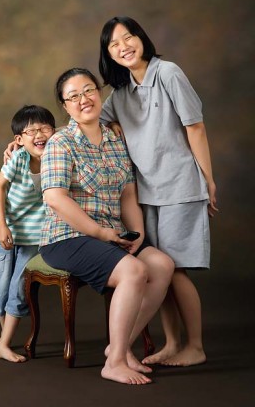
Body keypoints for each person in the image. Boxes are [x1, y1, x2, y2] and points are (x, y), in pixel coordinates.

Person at [39, 67, 174, 385]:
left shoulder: (116, 140)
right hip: (67, 236)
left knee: (161, 265)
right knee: (133, 271)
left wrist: (138, 235)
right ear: (65, 105)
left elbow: (128, 194)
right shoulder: (60, 142)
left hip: (111, 233)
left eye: (89, 90)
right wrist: (99, 233)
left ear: (99, 93)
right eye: (73, 96)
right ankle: (114, 364)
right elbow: (55, 198)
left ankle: (120, 347)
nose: (83, 99)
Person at [99, 16, 219, 367]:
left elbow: (195, 127)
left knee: (176, 270)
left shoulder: (168, 73)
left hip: (180, 186)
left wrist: (208, 180)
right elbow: (91, 121)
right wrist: (31, 144)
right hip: (145, 194)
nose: (124, 47)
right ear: (108, 54)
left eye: (129, 37)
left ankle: (195, 346)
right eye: (114, 44)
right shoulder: (121, 93)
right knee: (160, 268)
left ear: (142, 38)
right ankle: (172, 343)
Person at [0, 104, 56, 362]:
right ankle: (3, 339)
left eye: (44, 129)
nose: (39, 135)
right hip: (4, 231)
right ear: (18, 139)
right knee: (2, 285)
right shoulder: (18, 158)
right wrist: (3, 225)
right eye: (31, 131)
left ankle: (4, 344)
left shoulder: (58, 155)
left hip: (33, 236)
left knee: (18, 286)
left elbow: (74, 128)